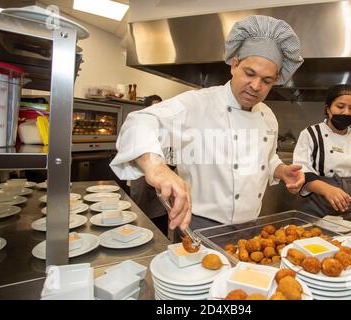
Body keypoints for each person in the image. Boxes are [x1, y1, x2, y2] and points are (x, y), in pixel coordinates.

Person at [110, 15, 305, 232]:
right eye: (250, 73)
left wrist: (280, 170)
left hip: (250, 226)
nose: (256, 86)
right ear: (234, 65)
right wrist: (156, 166)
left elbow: (266, 158)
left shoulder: (268, 116)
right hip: (197, 224)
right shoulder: (198, 102)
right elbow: (140, 121)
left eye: (267, 81)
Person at [293, 84, 351, 217]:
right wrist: (327, 189)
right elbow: (302, 171)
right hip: (317, 207)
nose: (346, 112)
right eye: (340, 107)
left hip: (350, 207)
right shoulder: (311, 133)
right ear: (328, 109)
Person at [130, 95, 171, 236]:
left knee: (160, 213)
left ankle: (160, 240)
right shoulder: (138, 126)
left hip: (160, 179)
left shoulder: (165, 129)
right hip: (141, 178)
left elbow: (169, 155)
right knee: (140, 214)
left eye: (160, 107)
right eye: (154, 107)